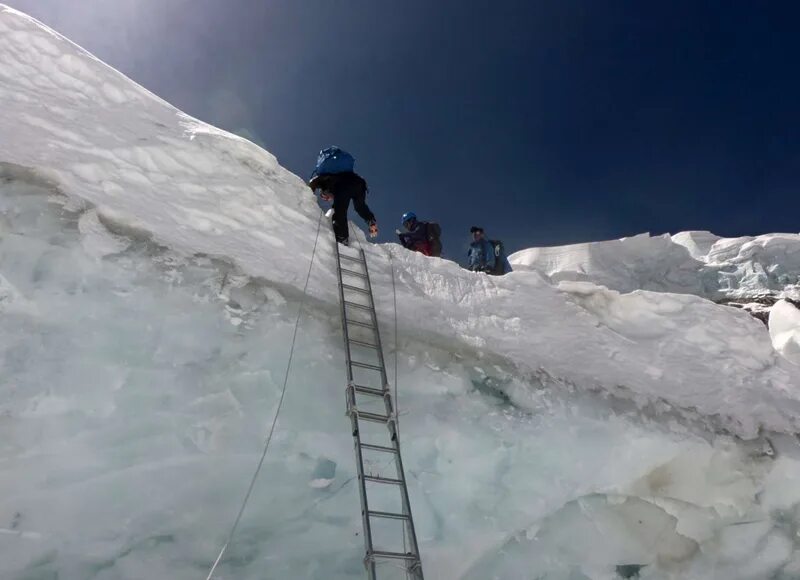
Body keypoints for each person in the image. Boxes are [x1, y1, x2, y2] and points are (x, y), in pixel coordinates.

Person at [308, 147, 378, 245]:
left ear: (325, 192)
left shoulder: (325, 180)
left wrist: (307, 194)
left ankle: (342, 238)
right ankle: (371, 220)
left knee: (339, 210)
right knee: (360, 206)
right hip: (360, 184)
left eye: (326, 197)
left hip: (345, 184)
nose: (328, 198)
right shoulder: (335, 177)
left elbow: (313, 182)